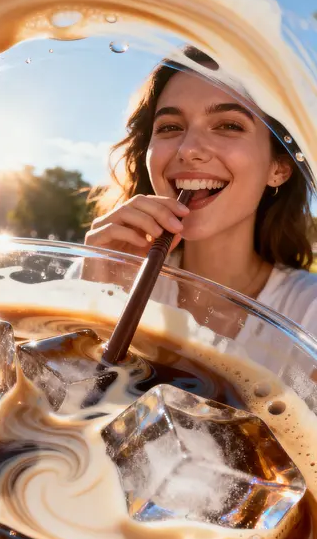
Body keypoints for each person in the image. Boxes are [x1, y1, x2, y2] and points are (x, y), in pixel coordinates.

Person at [81, 47, 317, 339]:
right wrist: (94, 305)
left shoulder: (309, 313)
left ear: (278, 168)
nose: (188, 149)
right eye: (169, 127)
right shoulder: (101, 272)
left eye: (229, 125)